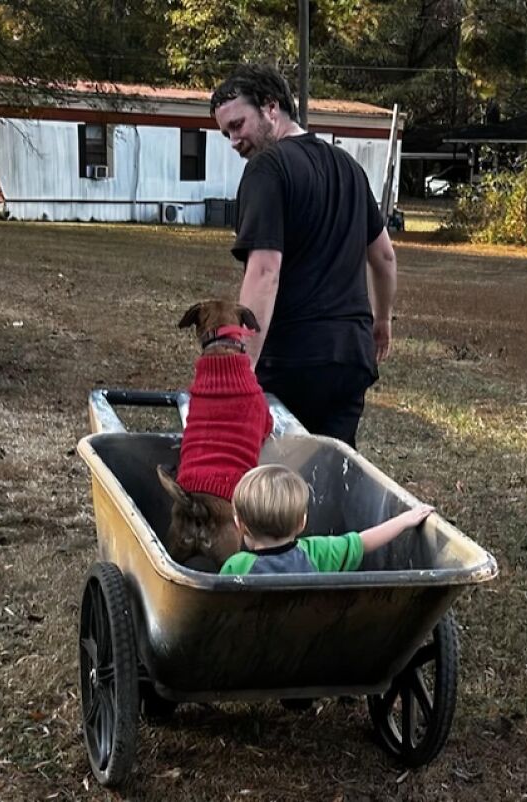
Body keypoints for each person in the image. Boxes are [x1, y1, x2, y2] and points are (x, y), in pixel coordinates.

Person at [210, 65, 398, 449]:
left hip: (294, 359)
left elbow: (264, 273)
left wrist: (240, 369)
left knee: (271, 488)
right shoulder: (350, 168)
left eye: (238, 124)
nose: (233, 140)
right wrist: (381, 322)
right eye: (226, 132)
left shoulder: (268, 168)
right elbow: (384, 257)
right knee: (331, 476)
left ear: (271, 108)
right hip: (351, 357)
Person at [220, 464, 433, 576]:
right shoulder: (317, 553)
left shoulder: (237, 566)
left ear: (240, 525)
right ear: (302, 523)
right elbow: (363, 541)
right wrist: (404, 520)